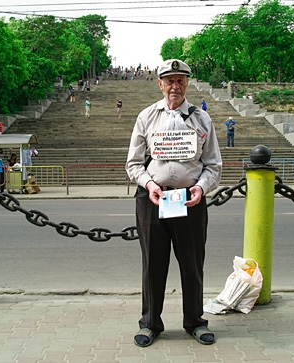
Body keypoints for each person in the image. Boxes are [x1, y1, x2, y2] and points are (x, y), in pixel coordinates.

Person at [125, 59, 222, 347]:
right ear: (160, 84)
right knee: (153, 264)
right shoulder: (146, 117)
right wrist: (150, 184)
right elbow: (133, 164)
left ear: (187, 83)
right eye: (169, 80)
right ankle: (150, 323)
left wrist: (201, 189)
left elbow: (213, 166)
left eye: (180, 80)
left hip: (189, 200)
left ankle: (195, 321)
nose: (174, 86)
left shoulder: (202, 119)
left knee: (192, 264)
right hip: (153, 199)